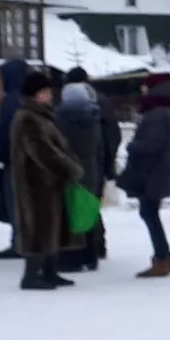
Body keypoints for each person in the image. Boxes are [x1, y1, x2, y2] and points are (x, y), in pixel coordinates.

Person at [9, 71, 84, 292]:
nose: (49, 96)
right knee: (37, 227)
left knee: (52, 225)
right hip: (35, 183)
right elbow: (44, 152)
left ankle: (50, 271)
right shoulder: (28, 118)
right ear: (34, 95)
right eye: (44, 92)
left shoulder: (43, 116)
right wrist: (70, 169)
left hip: (50, 182)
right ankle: (31, 275)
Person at [120, 77, 170, 277]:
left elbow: (152, 145)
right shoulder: (167, 110)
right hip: (160, 169)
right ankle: (164, 256)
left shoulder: (156, 114)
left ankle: (162, 258)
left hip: (152, 171)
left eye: (145, 86)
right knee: (150, 213)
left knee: (149, 213)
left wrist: (132, 146)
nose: (142, 89)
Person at [55, 76, 111, 272]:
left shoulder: (62, 120)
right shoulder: (93, 118)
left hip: (70, 171)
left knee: (70, 215)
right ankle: (91, 255)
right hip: (91, 171)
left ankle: (72, 258)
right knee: (87, 213)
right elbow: (100, 149)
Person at [0, 57, 29, 257]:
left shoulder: (11, 100)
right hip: (31, 158)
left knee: (16, 202)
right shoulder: (30, 96)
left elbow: (5, 132)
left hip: (15, 159)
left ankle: (19, 242)